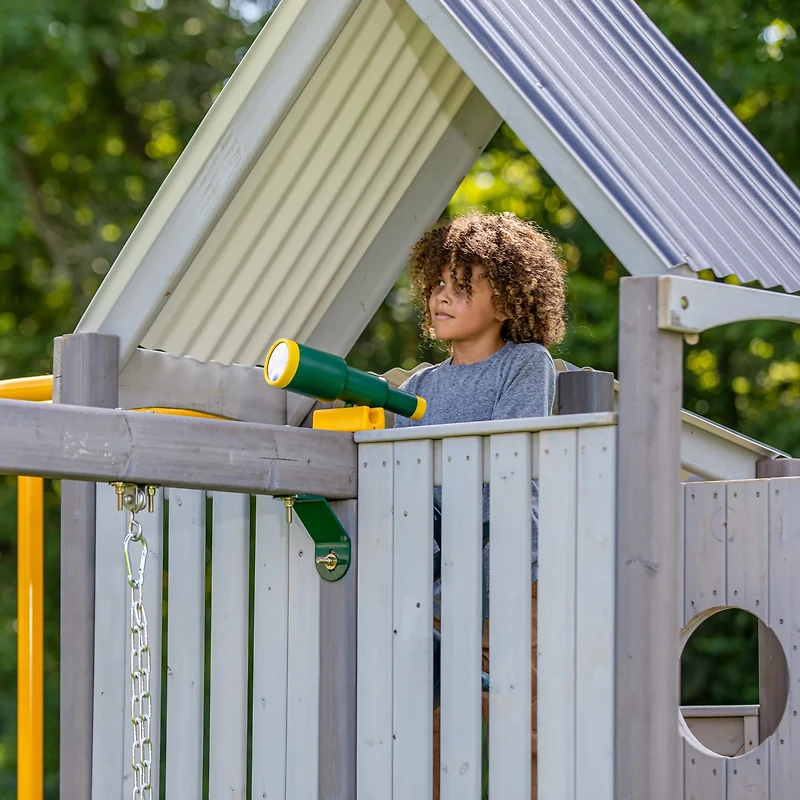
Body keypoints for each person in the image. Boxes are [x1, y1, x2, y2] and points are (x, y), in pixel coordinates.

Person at [393, 210, 567, 798]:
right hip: (442, 588)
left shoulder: (524, 365)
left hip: (515, 583)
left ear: (509, 298)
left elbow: (505, 467)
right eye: (438, 284)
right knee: (431, 724)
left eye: (462, 286)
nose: (443, 297)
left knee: (528, 718)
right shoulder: (418, 387)